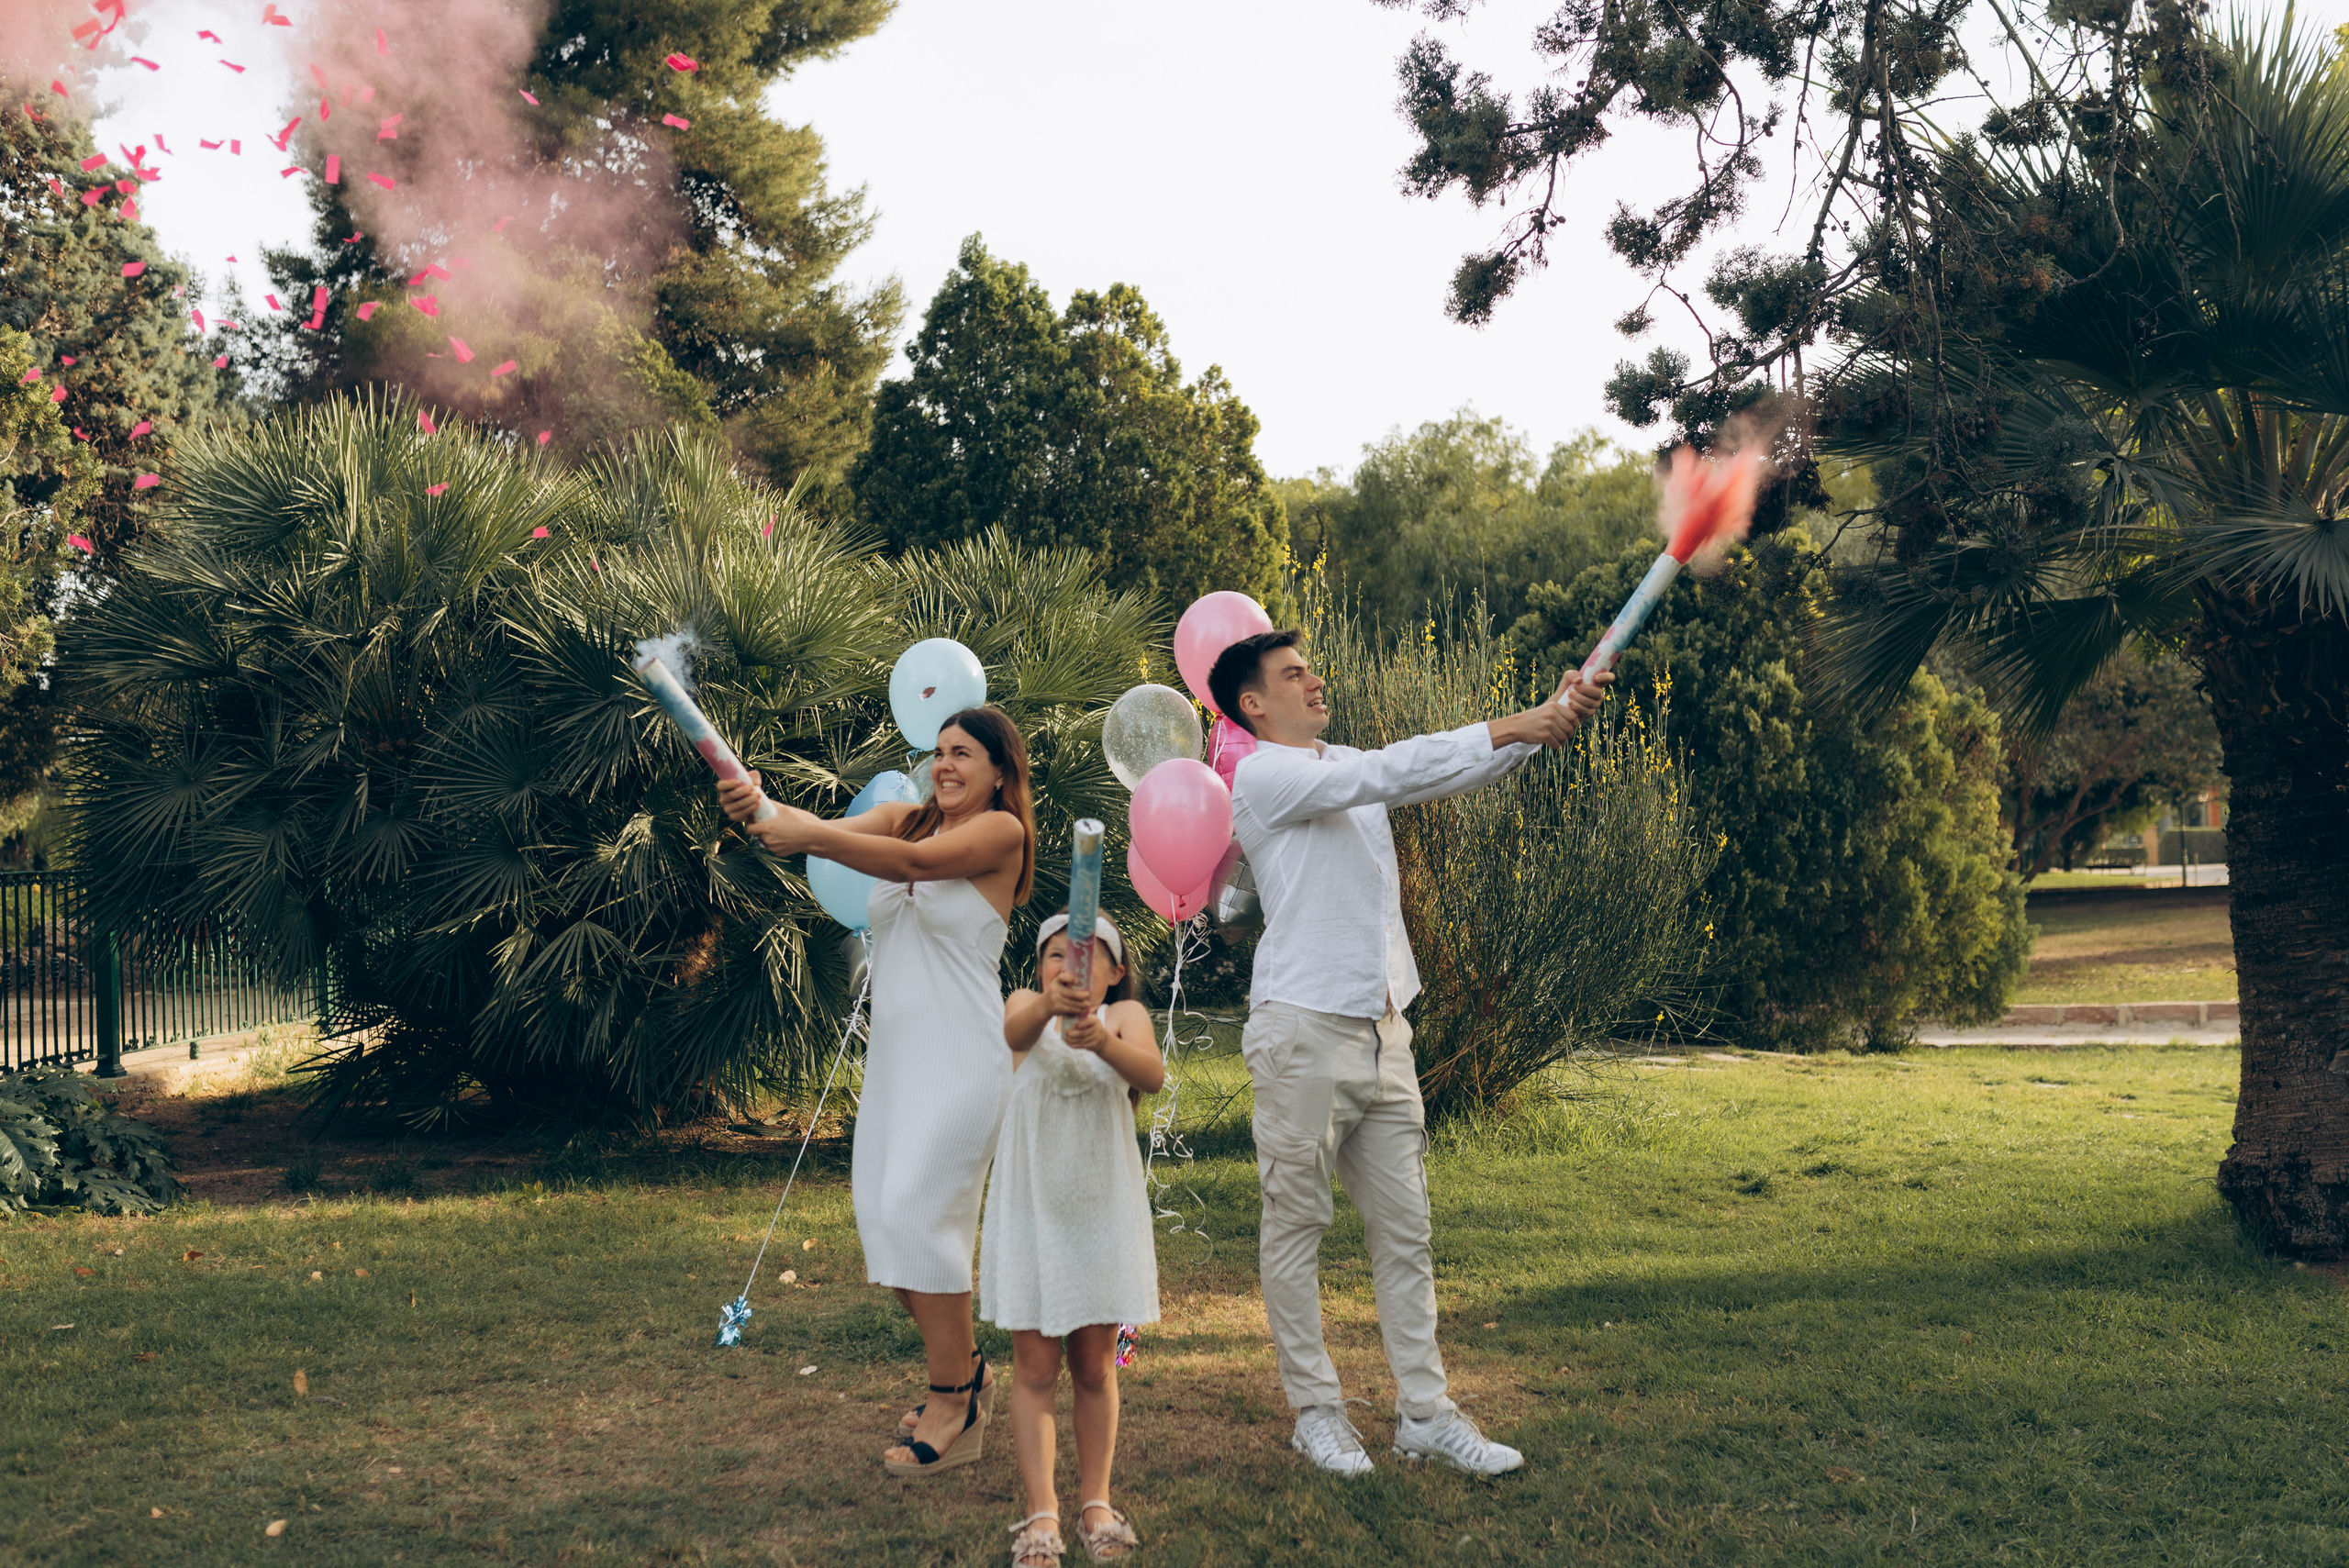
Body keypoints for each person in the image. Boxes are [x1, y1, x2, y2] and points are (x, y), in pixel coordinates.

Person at [1206, 629, 1609, 1478]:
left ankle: (1424, 1413)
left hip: (1386, 1025)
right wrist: (1515, 722)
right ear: (1253, 704)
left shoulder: (1340, 760)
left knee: (1407, 1234)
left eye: (1311, 667)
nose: (1314, 681)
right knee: (1296, 1227)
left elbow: (1439, 771)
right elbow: (1391, 770)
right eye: (1293, 675)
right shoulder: (1265, 775)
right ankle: (1316, 1412)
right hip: (1301, 1028)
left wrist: (1549, 721)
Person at [718, 706, 1035, 1478]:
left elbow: (913, 868)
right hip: (897, 1063)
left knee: (920, 1222)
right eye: (940, 753)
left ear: (1000, 769)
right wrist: (755, 802)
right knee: (888, 1238)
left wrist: (810, 838)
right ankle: (970, 1370)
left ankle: (954, 1402)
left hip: (963, 1059)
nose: (947, 765)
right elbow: (809, 823)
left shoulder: (1001, 834)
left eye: (965, 754)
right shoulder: (906, 816)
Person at [982, 912, 1163, 1566]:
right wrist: (1053, 1011)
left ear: (1114, 972)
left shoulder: (1124, 1018)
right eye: (1055, 955)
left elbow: (1152, 1074)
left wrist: (1101, 1042)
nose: (1068, 967)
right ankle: (1041, 1516)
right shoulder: (1027, 1007)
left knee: (1093, 1366)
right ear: (1040, 968)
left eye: (1084, 957)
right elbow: (1013, 1029)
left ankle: (1095, 1503)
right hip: (1033, 1213)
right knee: (1033, 1368)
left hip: (1099, 1216)